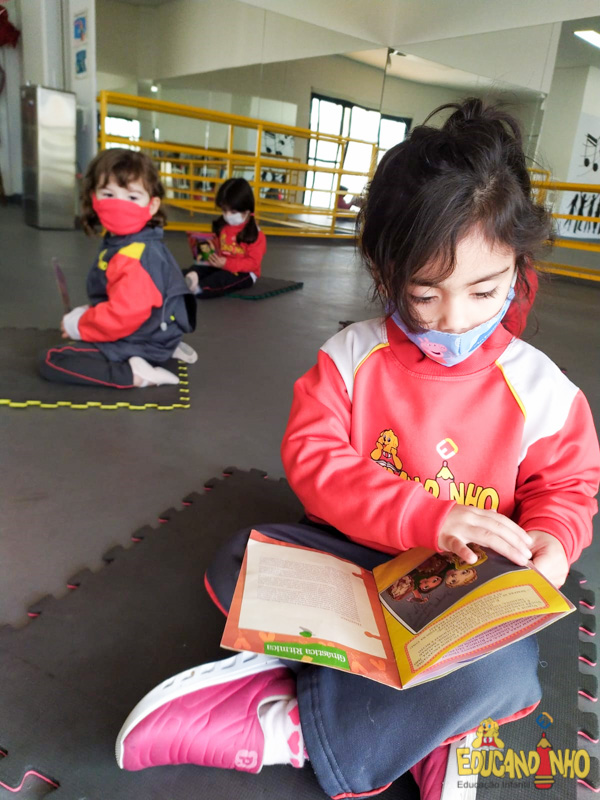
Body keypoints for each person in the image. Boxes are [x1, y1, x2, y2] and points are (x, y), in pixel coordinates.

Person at [115, 100, 600, 798]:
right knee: (239, 561)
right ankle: (432, 727)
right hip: (353, 565)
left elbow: (566, 488)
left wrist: (553, 540)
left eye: (484, 292)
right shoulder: (351, 356)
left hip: (453, 596)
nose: (451, 320)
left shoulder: (543, 389)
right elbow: (315, 460)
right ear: (385, 268)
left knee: (507, 671)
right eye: (424, 294)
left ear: (518, 268)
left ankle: (288, 726)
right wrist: (427, 516)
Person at [39, 149, 196, 388]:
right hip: (155, 330)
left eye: (132, 197)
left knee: (52, 360)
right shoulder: (133, 241)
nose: (119, 205)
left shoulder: (134, 255)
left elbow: (124, 315)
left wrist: (80, 325)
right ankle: (163, 347)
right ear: (94, 198)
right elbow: (122, 295)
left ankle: (136, 374)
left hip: (142, 338)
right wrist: (88, 312)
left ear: (152, 205)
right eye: (109, 194)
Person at [183, 177, 266, 299]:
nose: (227, 215)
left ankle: (200, 288)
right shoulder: (223, 226)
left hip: (244, 273)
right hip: (221, 264)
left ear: (247, 211)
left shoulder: (256, 234)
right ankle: (190, 277)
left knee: (221, 279)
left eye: (233, 212)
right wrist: (207, 251)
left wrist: (227, 263)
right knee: (198, 268)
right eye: (224, 210)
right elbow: (217, 247)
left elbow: (253, 264)